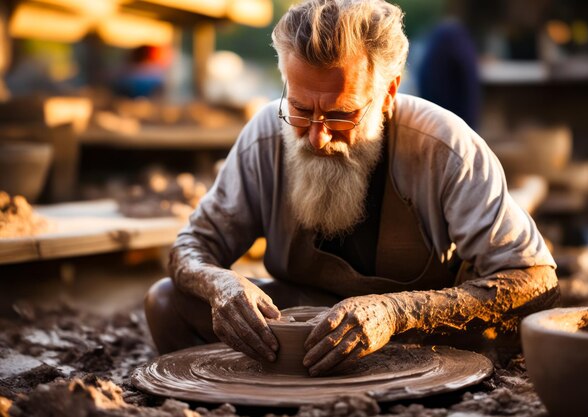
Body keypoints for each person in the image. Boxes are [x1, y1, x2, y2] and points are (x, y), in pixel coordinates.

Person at [145, 0, 557, 377]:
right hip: (306, 325)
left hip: (422, 337)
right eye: (301, 111)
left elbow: (536, 280)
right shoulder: (264, 139)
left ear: (388, 92)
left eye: (341, 115)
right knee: (166, 303)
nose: (318, 138)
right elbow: (190, 247)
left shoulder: (444, 146)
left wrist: (396, 313)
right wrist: (221, 285)